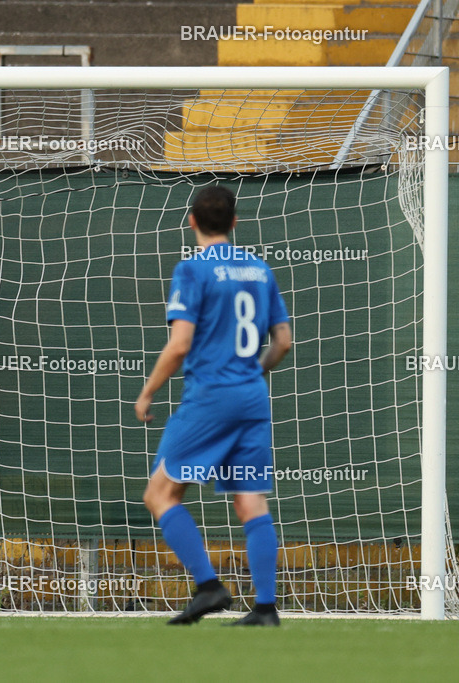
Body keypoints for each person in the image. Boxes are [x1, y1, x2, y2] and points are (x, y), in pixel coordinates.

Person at [135, 185, 292, 627]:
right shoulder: (260, 270)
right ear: (235, 222)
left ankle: (209, 586)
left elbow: (180, 344)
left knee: (159, 493)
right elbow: (282, 342)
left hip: (210, 398)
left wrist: (147, 392)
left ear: (192, 222)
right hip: (252, 398)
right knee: (251, 502)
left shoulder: (192, 269)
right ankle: (264, 608)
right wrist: (254, 372)